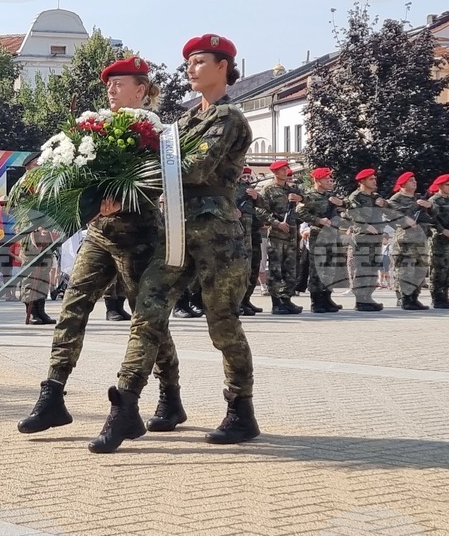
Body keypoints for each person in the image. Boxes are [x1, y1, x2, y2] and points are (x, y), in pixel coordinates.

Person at [88, 34, 256, 453]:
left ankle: (240, 409)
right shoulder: (181, 123)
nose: (190, 68)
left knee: (222, 325)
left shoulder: (229, 117)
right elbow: (159, 161)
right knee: (147, 312)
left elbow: (196, 168)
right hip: (177, 235)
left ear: (223, 66)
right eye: (188, 62)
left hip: (218, 238)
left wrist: (138, 172)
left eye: (200, 61)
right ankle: (126, 405)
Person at [17, 55, 178, 440]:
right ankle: (52, 394)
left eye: (119, 84)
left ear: (141, 90)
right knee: (73, 305)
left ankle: (170, 395)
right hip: (100, 233)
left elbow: (161, 181)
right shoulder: (95, 127)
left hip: (140, 237)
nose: (110, 89)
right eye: (108, 84)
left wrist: (122, 199)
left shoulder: (157, 133)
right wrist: (79, 203)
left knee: (148, 321)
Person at [256, 160, 304, 314]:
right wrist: (276, 223)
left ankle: (287, 299)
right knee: (276, 270)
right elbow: (261, 211)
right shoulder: (268, 190)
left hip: (292, 234)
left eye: (286, 169)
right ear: (275, 172)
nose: (286, 172)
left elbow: (308, 204)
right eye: (282, 170)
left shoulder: (293, 189)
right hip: (277, 235)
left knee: (290, 269)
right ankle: (277, 302)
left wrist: (300, 200)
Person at [295, 167, 345, 313]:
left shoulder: (331, 196)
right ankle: (316, 301)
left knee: (330, 268)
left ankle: (327, 298)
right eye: (326, 179)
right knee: (317, 269)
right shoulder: (310, 196)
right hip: (318, 235)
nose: (330, 181)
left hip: (332, 235)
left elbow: (346, 207)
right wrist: (317, 220)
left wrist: (341, 203)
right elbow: (300, 211)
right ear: (317, 180)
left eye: (330, 179)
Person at [386, 172, 433, 310]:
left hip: (421, 239)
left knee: (419, 270)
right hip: (405, 240)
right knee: (405, 270)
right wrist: (405, 219)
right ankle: (404, 298)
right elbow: (393, 215)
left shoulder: (418, 199)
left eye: (414, 180)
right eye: (410, 180)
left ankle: (414, 297)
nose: (414, 182)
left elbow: (431, 217)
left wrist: (430, 207)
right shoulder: (395, 200)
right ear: (403, 184)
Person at [344, 168, 387, 311]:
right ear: (362, 181)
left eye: (375, 179)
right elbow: (352, 213)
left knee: (373, 268)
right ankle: (360, 299)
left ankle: (368, 297)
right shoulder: (355, 196)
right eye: (371, 179)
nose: (375, 181)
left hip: (376, 237)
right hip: (362, 238)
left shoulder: (376, 197)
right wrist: (366, 226)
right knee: (362, 268)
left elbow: (389, 210)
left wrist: (384, 204)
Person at [426, 175, 449, 309]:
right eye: (447, 185)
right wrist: (441, 230)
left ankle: (445, 295)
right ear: (440, 186)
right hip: (440, 240)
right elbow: (431, 220)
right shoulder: (433, 200)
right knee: (439, 268)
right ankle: (437, 297)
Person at [236, 167, 264, 315]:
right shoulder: (229, 186)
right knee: (240, 269)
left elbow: (263, 205)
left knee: (253, 268)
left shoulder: (248, 188)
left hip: (252, 232)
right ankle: (237, 302)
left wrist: (256, 197)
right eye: (243, 174)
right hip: (237, 234)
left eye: (248, 175)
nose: (246, 178)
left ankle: (246, 299)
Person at [20, 226, 56, 325]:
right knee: (30, 277)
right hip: (31, 237)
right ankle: (31, 311)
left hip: (46, 240)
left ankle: (40, 310)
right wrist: (38, 228)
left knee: (43, 277)